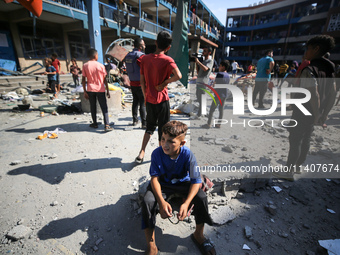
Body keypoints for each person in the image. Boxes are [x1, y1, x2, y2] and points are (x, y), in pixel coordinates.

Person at [141, 121, 215, 255]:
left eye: (171, 141)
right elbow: (155, 179)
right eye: (163, 139)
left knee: (201, 197)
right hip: (163, 185)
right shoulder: (157, 154)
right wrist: (162, 203)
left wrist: (186, 203)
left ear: (182, 143)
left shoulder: (188, 155)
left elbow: (195, 181)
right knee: (148, 201)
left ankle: (199, 234)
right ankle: (151, 245)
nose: (165, 144)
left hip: (182, 184)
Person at [274, 35, 336, 181]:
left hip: (303, 110)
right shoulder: (329, 69)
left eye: (308, 49)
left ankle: (288, 172)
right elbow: (333, 93)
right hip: (316, 111)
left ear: (316, 49)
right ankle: (297, 166)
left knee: (295, 139)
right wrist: (324, 114)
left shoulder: (310, 69)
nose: (305, 52)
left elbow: (314, 94)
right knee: (306, 137)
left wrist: (316, 114)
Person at [135, 31, 182, 163]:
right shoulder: (168, 60)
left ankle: (142, 152)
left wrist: (145, 97)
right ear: (169, 47)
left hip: (150, 100)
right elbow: (178, 75)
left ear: (155, 43)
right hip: (162, 100)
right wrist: (165, 83)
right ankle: (162, 155)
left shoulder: (144, 59)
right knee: (164, 130)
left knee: (149, 127)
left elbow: (142, 81)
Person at [82, 48, 113, 132]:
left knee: (93, 106)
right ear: (95, 56)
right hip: (100, 89)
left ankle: (94, 123)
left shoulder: (85, 65)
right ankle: (107, 125)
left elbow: (83, 80)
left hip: (90, 89)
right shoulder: (100, 65)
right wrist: (107, 91)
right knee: (104, 107)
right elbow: (104, 80)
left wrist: (85, 91)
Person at [124, 37, 146, 128]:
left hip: (132, 83)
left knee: (135, 102)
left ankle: (135, 120)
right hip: (140, 84)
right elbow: (145, 69)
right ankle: (144, 123)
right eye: (144, 44)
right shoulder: (140, 56)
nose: (145, 46)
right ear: (140, 46)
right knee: (142, 103)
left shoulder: (128, 55)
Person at [202, 60, 230, 129]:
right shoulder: (228, 75)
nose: (219, 67)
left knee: (212, 110)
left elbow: (216, 84)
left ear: (223, 67)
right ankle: (218, 124)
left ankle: (208, 124)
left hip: (218, 95)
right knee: (221, 110)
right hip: (224, 95)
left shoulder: (220, 74)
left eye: (220, 66)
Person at [195, 46, 214, 117]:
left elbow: (206, 69)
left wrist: (198, 62)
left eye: (205, 51)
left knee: (202, 98)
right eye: (203, 51)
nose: (203, 52)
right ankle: (202, 112)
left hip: (203, 82)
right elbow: (198, 72)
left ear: (209, 53)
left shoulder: (210, 61)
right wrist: (197, 64)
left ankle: (200, 114)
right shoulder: (203, 61)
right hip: (199, 81)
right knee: (198, 97)